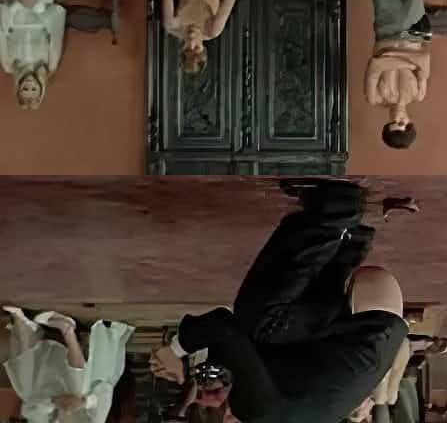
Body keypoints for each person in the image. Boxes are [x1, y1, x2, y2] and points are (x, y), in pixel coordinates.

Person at [149, 178, 409, 423]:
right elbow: (224, 326)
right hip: (371, 318)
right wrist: (175, 351)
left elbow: (257, 357)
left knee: (268, 334)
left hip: (377, 327)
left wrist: (218, 375)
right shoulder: (258, 413)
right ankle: (336, 208)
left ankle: (351, 237)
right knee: (259, 323)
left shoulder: (271, 414)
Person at [2, 306, 135, 423]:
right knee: (77, 389)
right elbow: (104, 393)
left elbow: (30, 411)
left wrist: (54, 403)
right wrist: (83, 402)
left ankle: (24, 327)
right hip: (87, 378)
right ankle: (67, 330)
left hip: (49, 389)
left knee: (26, 388)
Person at [365, 0, 431, 150]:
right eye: (402, 123)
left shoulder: (376, 97)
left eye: (393, 124)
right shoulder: (418, 94)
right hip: (413, 28)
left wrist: (408, 62)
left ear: (387, 124)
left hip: (386, 25)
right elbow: (424, 58)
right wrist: (390, 57)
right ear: (409, 122)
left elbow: (374, 65)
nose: (397, 118)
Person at [0, 0, 66, 109]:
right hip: (42, 0)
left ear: (18, 87)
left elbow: (1, 31)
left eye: (25, 89)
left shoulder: (8, 65)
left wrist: (17, 5)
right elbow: (57, 27)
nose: (29, 84)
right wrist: (37, 4)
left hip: (13, 1)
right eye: (34, 89)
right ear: (41, 87)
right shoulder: (50, 64)